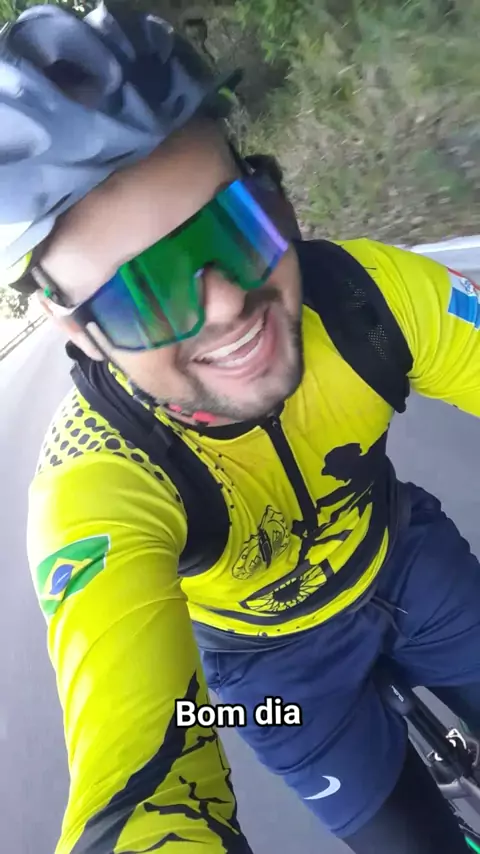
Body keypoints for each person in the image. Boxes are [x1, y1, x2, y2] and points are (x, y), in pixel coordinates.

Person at [3, 4, 480, 853]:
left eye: (237, 225)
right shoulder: (95, 484)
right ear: (77, 328)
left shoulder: (365, 298)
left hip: (405, 560)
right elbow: (138, 794)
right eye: (144, 292)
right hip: (275, 682)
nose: (228, 305)